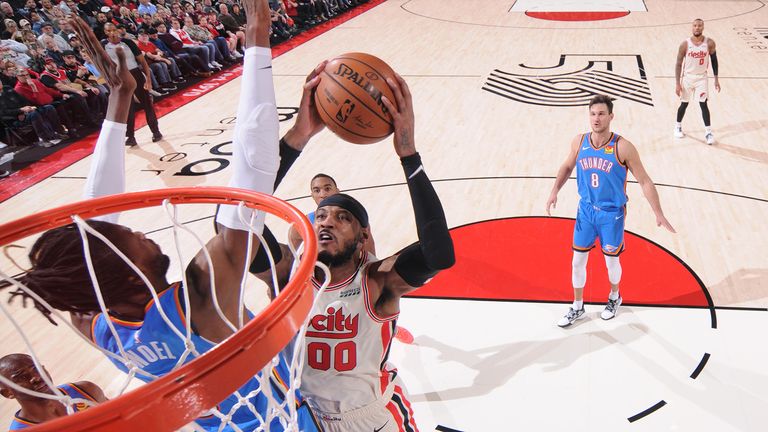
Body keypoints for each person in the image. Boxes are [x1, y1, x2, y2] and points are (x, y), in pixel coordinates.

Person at [1, 6, 320, 430]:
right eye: (129, 237)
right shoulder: (197, 303)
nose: (137, 229)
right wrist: (258, 39)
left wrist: (118, 102)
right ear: (127, 271)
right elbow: (249, 186)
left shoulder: (97, 326)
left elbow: (91, 230)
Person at [259, 71, 454, 431]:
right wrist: (297, 137)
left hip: (368, 418)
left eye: (342, 217)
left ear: (363, 237)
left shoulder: (378, 280)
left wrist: (408, 154)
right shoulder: (287, 272)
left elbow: (439, 253)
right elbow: (236, 218)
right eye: (321, 215)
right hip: (300, 415)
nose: (326, 222)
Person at [546, 95, 676, 328]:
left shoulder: (623, 147)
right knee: (577, 261)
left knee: (610, 261)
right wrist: (554, 190)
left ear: (611, 116)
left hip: (611, 214)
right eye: (593, 114)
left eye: (601, 114)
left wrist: (658, 212)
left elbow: (645, 181)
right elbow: (567, 166)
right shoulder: (580, 141)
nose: (596, 118)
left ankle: (615, 297)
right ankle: (577, 306)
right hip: (585, 210)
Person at [0, 353, 108, 430]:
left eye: (36, 369)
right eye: (22, 377)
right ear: (8, 393)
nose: (36, 377)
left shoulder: (86, 390)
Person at [102, 22, 162, 145]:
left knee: (147, 103)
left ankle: (156, 131)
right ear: (105, 32)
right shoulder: (103, 46)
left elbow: (143, 61)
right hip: (119, 78)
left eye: (114, 29)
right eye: (109, 31)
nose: (112, 32)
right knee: (127, 108)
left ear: (117, 30)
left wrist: (148, 79)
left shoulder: (128, 43)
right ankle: (130, 137)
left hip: (135, 74)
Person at [286, 173, 376, 255]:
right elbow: (291, 258)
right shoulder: (302, 224)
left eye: (327, 189)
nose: (323, 194)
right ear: (312, 195)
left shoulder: (356, 219)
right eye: (317, 190)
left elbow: (370, 255)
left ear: (337, 191)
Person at [674, 18, 720, 145]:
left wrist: (716, 78)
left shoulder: (709, 43)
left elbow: (715, 61)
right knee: (684, 103)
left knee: (703, 104)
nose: (697, 28)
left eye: (700, 25)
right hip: (688, 78)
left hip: (702, 78)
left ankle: (708, 132)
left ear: (703, 27)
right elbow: (678, 64)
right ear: (692, 27)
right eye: (695, 25)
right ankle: (677, 126)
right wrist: (677, 83)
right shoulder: (685, 44)